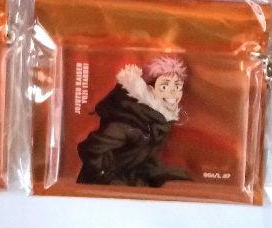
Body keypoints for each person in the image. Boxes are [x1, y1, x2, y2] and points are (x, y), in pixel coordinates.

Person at [77, 57, 192, 187]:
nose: (173, 92)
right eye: (164, 87)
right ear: (150, 89)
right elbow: (91, 148)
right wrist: (105, 176)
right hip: (104, 183)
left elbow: (144, 157)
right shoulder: (131, 119)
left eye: (177, 86)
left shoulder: (159, 120)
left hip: (134, 175)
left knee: (181, 178)